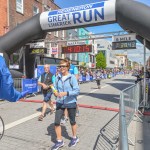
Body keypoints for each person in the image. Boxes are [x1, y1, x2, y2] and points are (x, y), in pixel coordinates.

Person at [51, 59, 80, 150]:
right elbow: (54, 87)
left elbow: (77, 91)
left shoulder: (72, 78)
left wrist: (66, 93)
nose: (62, 68)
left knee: (72, 121)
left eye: (64, 66)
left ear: (68, 67)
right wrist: (55, 92)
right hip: (60, 102)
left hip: (71, 102)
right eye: (60, 66)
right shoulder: (57, 77)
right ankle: (59, 141)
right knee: (56, 122)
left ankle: (75, 137)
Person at [60, 57, 79, 125]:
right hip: (65, 88)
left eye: (67, 61)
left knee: (74, 101)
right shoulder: (62, 68)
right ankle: (65, 117)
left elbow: (76, 77)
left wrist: (72, 83)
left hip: (72, 87)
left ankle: (76, 110)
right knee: (65, 102)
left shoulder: (74, 68)